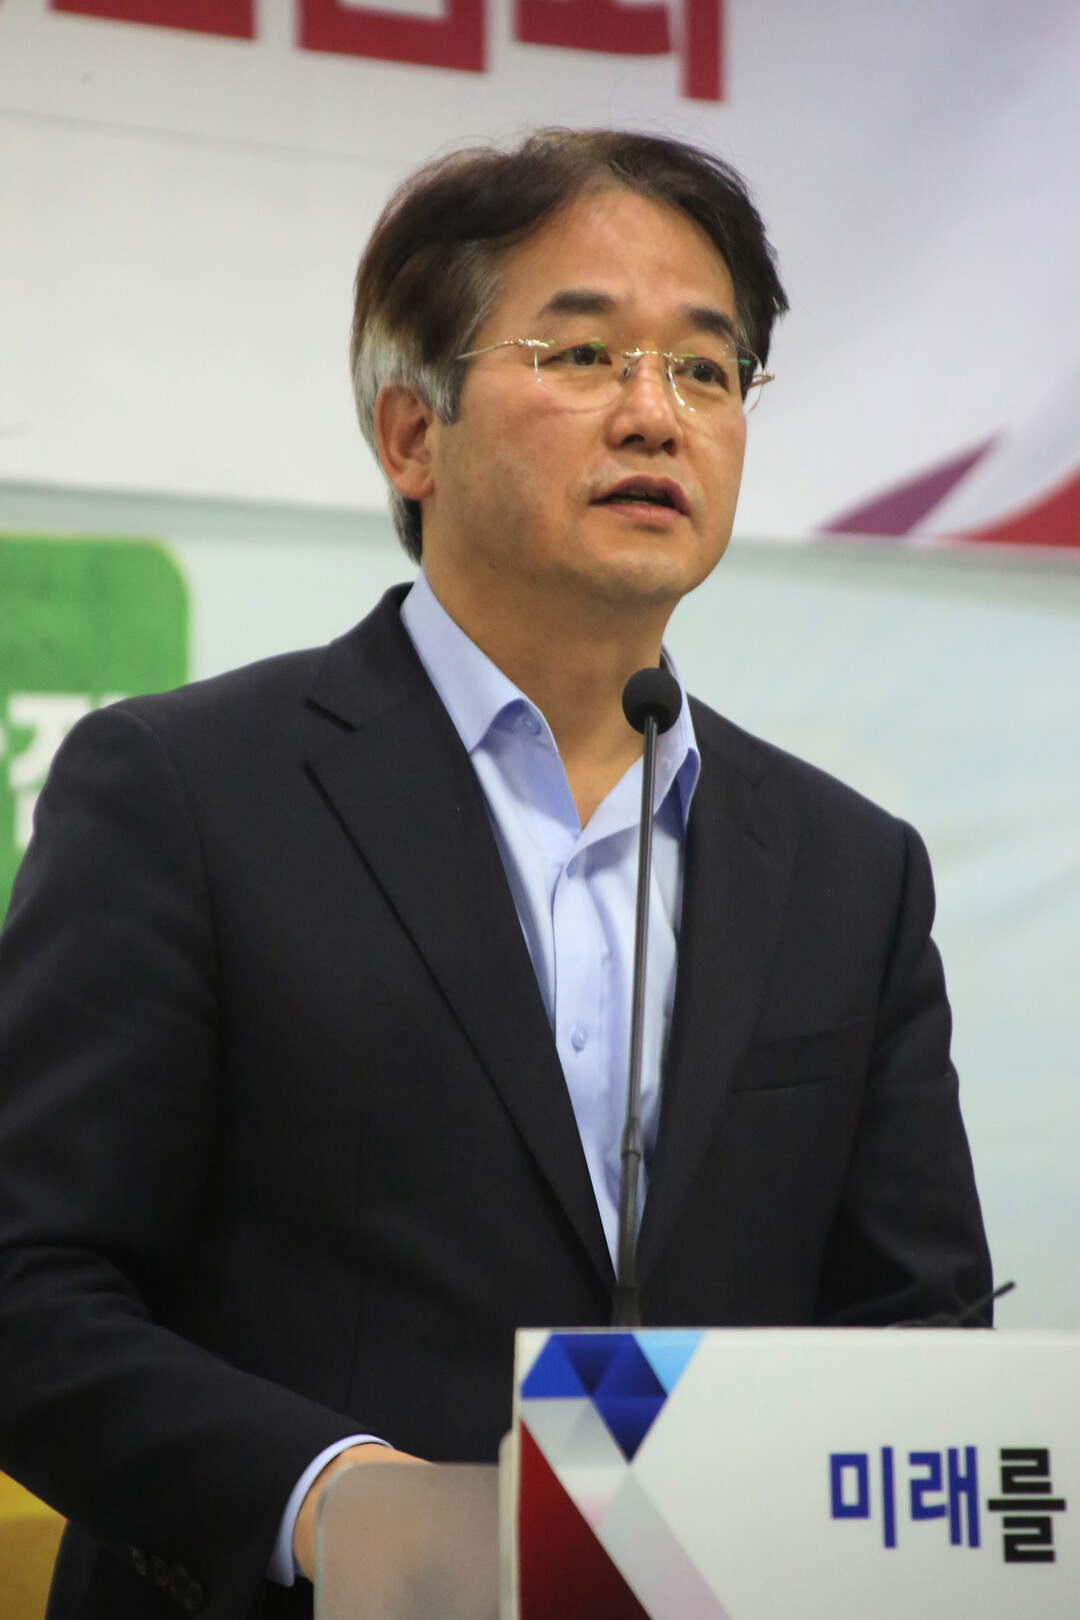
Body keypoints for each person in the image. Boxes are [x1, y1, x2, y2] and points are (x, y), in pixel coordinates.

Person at [0, 129, 991, 1620]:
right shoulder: (185, 794)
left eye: (706, 369)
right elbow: (28, 1285)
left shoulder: (853, 872)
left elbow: (919, 1330)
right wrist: (330, 1498)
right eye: (583, 354)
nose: (655, 413)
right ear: (413, 433)